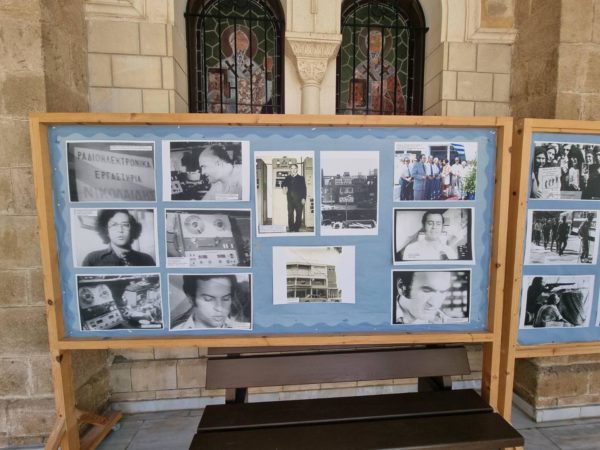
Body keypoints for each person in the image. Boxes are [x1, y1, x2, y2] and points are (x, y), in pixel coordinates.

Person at [209, 27, 273, 113]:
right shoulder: (222, 65)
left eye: (244, 40)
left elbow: (264, 95)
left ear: (248, 44)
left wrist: (268, 71)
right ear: (231, 43)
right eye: (238, 39)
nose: (242, 42)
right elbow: (213, 94)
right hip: (228, 113)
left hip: (251, 114)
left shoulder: (255, 67)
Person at [346, 29, 406, 114]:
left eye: (377, 45)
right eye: (371, 45)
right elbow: (353, 101)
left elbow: (399, 102)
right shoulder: (360, 70)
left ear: (382, 47)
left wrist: (383, 92)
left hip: (384, 117)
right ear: (367, 46)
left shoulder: (389, 70)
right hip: (363, 117)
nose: (374, 49)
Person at [173, 275, 250, 329]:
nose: (219, 308)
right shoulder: (175, 333)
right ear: (191, 299)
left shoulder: (244, 330)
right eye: (208, 299)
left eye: (226, 299)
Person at [82, 210, 155, 266]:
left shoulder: (147, 260)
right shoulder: (92, 259)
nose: (120, 230)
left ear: (132, 229)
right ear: (106, 230)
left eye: (125, 225)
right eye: (114, 225)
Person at [393, 271, 458, 324]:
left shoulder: (445, 323)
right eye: (427, 290)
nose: (434, 304)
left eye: (443, 292)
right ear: (402, 287)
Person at [282, 163, 307, 232]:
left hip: (299, 200)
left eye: (295, 168)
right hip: (290, 200)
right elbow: (283, 184)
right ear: (290, 169)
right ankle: (291, 228)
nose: (293, 170)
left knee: (299, 215)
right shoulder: (287, 178)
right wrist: (284, 188)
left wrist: (304, 198)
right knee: (290, 214)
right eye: (292, 168)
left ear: (297, 169)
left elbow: (304, 189)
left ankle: (296, 228)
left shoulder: (301, 178)